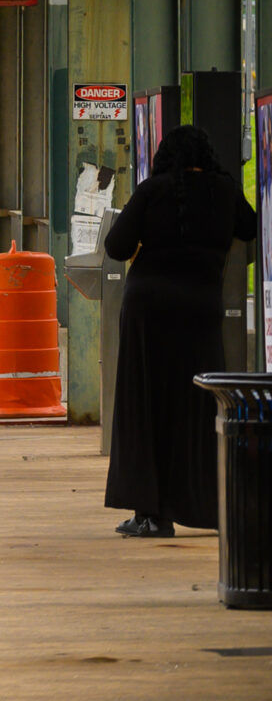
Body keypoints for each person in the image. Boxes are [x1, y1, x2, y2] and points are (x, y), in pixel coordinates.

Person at [103, 124, 260, 537]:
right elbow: (250, 227)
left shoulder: (153, 190)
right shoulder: (224, 191)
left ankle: (150, 515)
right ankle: (203, 505)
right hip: (199, 311)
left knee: (145, 404)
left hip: (148, 310)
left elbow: (117, 246)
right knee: (196, 406)